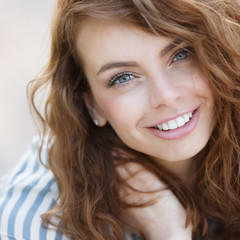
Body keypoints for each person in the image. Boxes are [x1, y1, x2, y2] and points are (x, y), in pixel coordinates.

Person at [1, 0, 240, 239]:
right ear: (91, 104)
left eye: (181, 54)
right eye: (124, 77)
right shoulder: (32, 221)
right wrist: (171, 233)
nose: (166, 96)